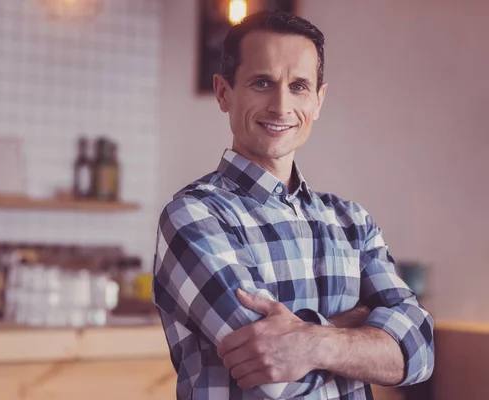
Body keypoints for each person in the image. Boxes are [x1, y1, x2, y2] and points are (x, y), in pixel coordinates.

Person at [152, 10, 434, 400]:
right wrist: (361, 325)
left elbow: (419, 351)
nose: (281, 106)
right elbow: (270, 371)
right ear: (223, 92)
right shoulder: (194, 216)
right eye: (262, 82)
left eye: (299, 86)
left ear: (318, 100)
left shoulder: (353, 222)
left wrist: (312, 343)